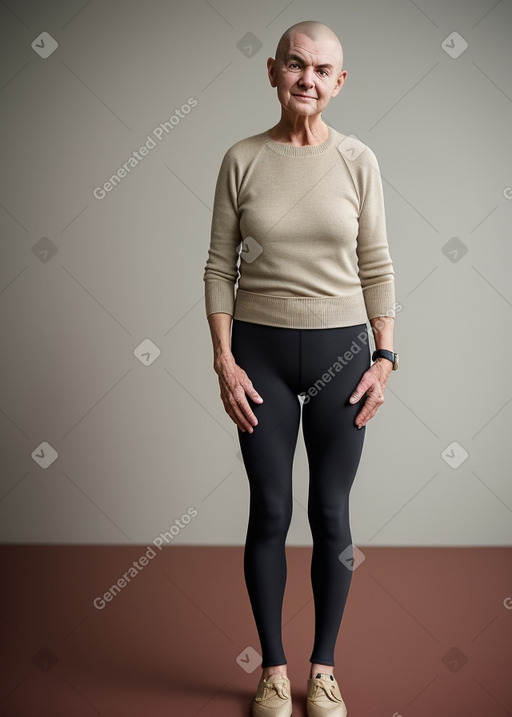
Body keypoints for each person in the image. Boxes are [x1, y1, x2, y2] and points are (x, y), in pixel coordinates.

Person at [203, 19, 398, 717]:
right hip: (258, 355)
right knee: (272, 509)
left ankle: (323, 671)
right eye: (296, 65)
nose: (307, 79)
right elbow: (219, 265)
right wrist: (224, 361)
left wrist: (386, 358)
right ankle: (273, 671)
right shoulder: (241, 159)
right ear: (274, 71)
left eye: (322, 70)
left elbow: (377, 263)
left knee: (331, 512)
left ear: (339, 83)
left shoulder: (358, 160)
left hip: (344, 357)